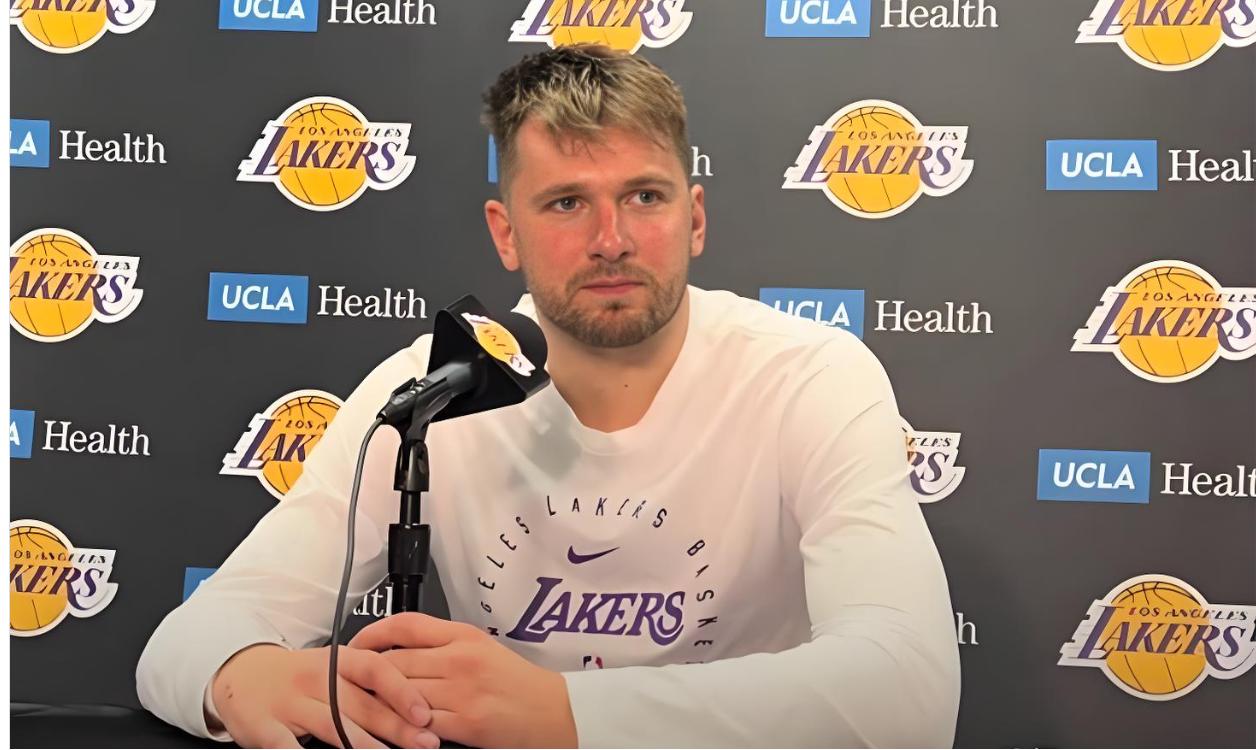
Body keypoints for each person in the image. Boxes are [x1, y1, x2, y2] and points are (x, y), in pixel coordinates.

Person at [137, 44, 961, 749]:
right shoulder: (432, 386)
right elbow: (186, 643)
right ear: (506, 233)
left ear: (695, 219)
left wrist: (561, 712)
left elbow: (910, 692)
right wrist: (240, 674)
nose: (612, 240)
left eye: (645, 196)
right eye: (567, 203)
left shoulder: (808, 375)